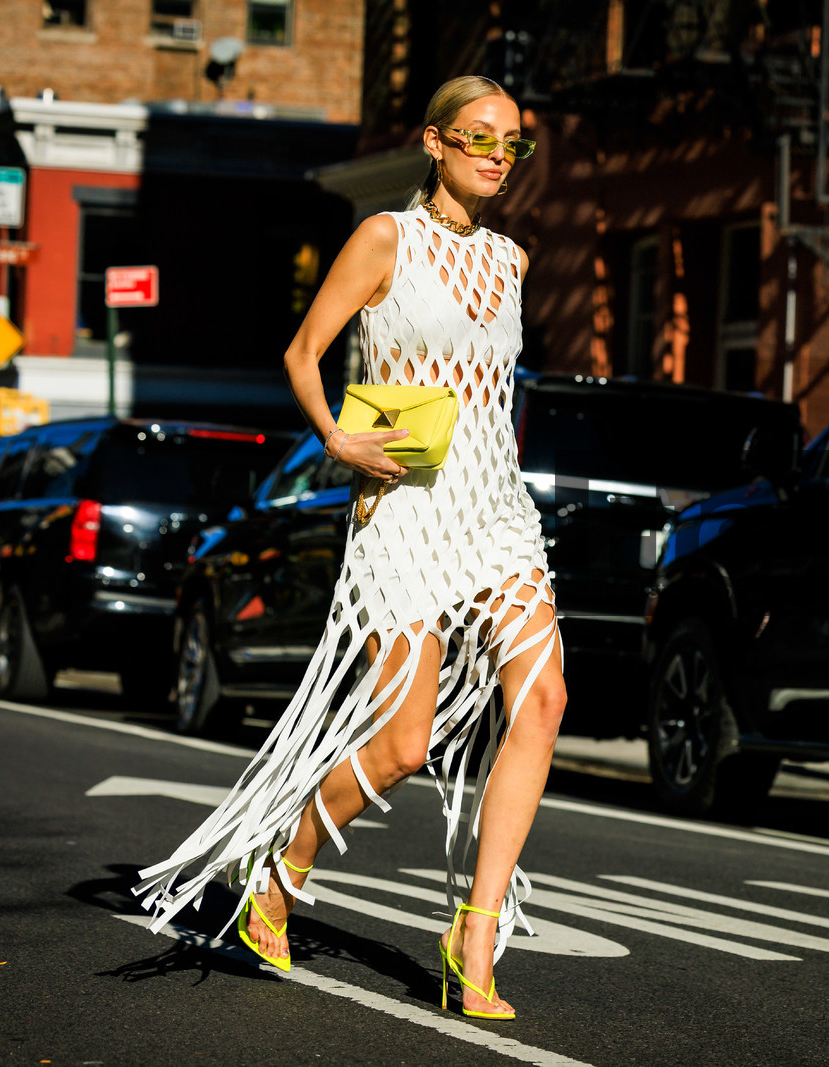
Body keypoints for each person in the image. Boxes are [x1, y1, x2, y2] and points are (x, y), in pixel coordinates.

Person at [135, 75, 563, 1022]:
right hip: (403, 512)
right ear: (435, 142)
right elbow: (303, 352)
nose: (499, 155)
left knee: (543, 698)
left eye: (513, 143)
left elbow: (488, 392)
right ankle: (282, 869)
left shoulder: (513, 259)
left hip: (494, 510)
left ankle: (475, 934)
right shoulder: (384, 238)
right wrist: (337, 439)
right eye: (481, 137)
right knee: (405, 741)